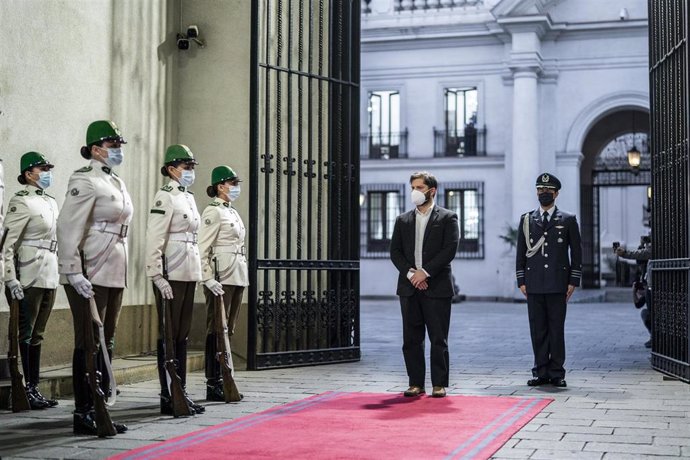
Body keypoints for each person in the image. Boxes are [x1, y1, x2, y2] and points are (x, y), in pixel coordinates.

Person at [57, 120, 132, 434]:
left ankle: (100, 403)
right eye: (112, 146)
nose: (117, 151)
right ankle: (84, 411)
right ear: (96, 149)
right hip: (91, 269)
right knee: (88, 340)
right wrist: (72, 271)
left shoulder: (115, 181)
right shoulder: (85, 180)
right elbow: (67, 227)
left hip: (114, 269)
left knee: (106, 340)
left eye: (118, 146)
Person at [145, 144, 205, 415]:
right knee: (168, 334)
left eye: (192, 167)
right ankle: (168, 394)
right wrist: (156, 274)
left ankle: (180, 390)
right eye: (186, 167)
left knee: (181, 335)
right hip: (171, 273)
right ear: (172, 169)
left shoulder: (188, 197)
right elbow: (155, 238)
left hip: (188, 271)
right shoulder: (166, 196)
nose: (191, 171)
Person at [390, 171, 459, 398]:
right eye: (413, 187)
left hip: (437, 286)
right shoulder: (402, 220)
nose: (415, 192)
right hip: (409, 287)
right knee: (411, 338)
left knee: (438, 338)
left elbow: (449, 249)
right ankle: (415, 383)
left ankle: (439, 384)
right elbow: (395, 252)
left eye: (419, 187)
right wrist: (412, 275)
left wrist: (425, 273)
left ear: (432, 190)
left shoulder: (448, 217)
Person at [3, 152, 59, 409]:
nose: (47, 172)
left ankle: (33, 388)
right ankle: (24, 388)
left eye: (48, 168)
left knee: (38, 334)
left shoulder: (50, 201)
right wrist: (9, 278)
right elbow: (6, 244)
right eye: (42, 168)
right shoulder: (22, 201)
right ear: (28, 174)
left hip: (49, 274)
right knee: (24, 334)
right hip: (28, 274)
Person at [516, 173, 582, 388]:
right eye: (540, 190)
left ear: (556, 193)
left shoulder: (568, 219)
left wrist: (573, 281)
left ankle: (556, 372)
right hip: (534, 283)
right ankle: (540, 371)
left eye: (547, 191)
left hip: (558, 283)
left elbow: (577, 253)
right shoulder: (527, 220)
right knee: (538, 329)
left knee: (556, 328)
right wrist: (521, 280)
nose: (543, 194)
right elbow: (521, 252)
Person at [198, 165, 248, 401]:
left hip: (236, 274)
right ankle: (214, 382)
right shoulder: (213, 212)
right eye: (232, 183)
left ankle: (223, 377)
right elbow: (202, 247)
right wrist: (207, 278)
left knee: (229, 328)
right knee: (217, 328)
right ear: (220, 186)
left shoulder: (232, 212)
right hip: (221, 277)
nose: (236, 187)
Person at [615, 236, 652, 348]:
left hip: (652, 286)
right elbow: (638, 304)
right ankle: (654, 336)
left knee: (651, 313)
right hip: (649, 286)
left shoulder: (653, 251)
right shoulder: (643, 275)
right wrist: (634, 291)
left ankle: (657, 337)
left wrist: (625, 253)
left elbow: (642, 255)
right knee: (646, 313)